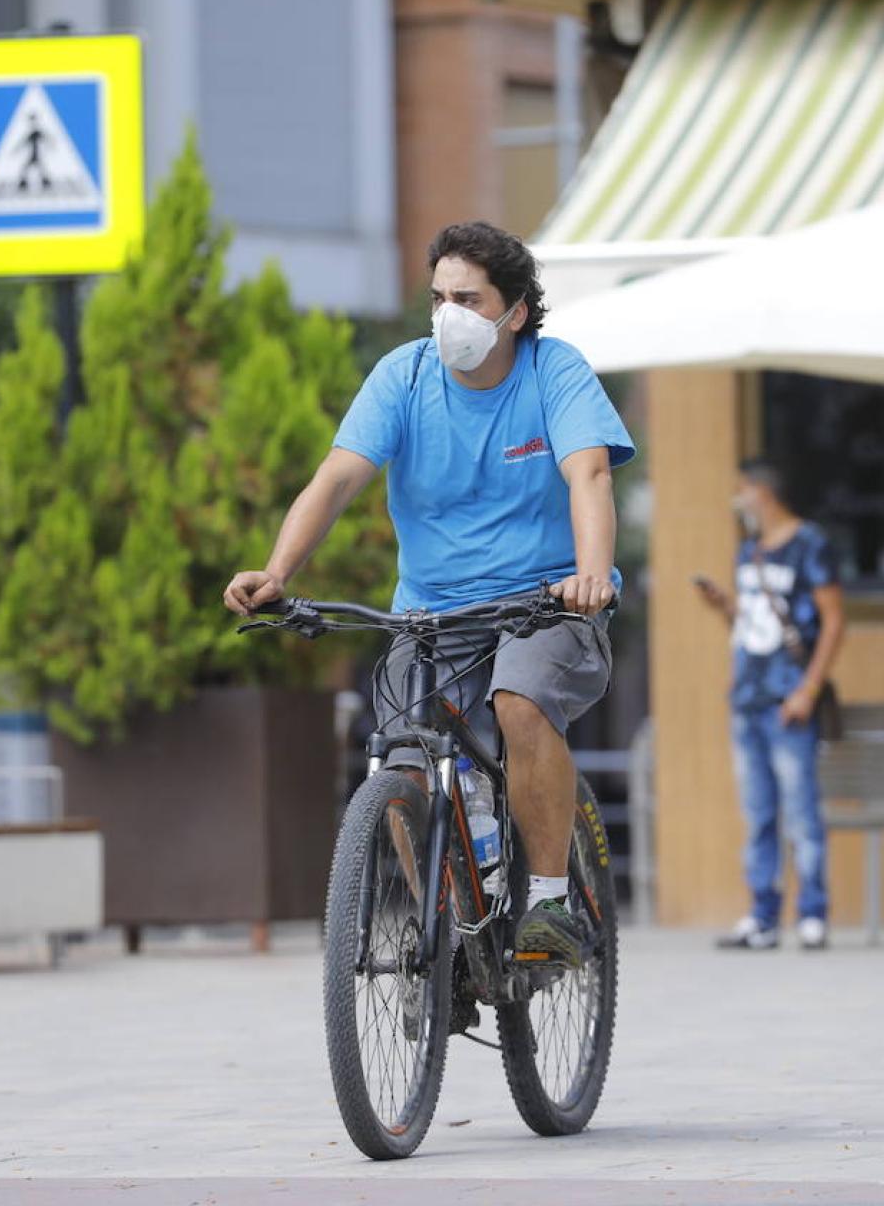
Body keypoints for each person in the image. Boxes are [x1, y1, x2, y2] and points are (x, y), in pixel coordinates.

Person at [223, 221, 633, 968]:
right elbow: (338, 477)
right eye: (439, 297)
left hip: (547, 603)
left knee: (518, 699)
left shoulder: (554, 372)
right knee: (405, 759)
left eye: (469, 299)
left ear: (514, 312)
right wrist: (278, 571)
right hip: (432, 614)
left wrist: (592, 575)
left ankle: (548, 901)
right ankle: (445, 933)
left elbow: (590, 476)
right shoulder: (404, 377)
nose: (449, 315)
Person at [693, 460, 845, 950]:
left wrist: (808, 689)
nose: (737, 502)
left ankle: (812, 914)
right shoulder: (749, 551)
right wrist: (723, 606)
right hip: (748, 696)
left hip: (788, 698)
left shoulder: (810, 545)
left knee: (801, 811)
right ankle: (762, 916)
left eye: (742, 492)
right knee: (758, 812)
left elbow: (834, 621)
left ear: (764, 492)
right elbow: (753, 624)